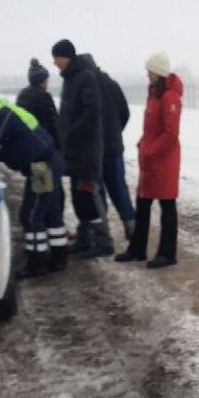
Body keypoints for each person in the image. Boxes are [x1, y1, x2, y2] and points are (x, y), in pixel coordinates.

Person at [0, 83, 68, 277]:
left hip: (42, 167)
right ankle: (59, 258)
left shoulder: (0, 117)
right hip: (47, 164)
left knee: (31, 215)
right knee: (50, 213)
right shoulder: (1, 112)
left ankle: (36, 263)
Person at [117, 51, 182, 269]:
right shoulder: (154, 93)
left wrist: (150, 150)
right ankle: (137, 249)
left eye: (150, 71)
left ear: (159, 72)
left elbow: (170, 134)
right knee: (143, 204)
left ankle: (167, 253)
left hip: (163, 161)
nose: (147, 74)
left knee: (167, 206)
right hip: (151, 159)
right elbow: (152, 128)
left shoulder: (170, 97)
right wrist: (142, 142)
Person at [52, 39, 114, 259]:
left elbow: (91, 113)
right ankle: (84, 239)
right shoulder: (70, 79)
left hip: (86, 151)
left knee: (89, 196)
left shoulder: (85, 78)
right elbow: (68, 113)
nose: (54, 63)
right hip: (74, 151)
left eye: (56, 58)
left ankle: (104, 240)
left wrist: (71, 134)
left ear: (65, 57)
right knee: (78, 197)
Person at [95, 63, 136, 239]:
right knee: (119, 188)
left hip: (96, 150)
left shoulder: (86, 87)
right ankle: (132, 228)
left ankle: (103, 234)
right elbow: (125, 112)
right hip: (114, 147)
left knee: (98, 192)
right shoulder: (112, 84)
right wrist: (116, 132)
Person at [16, 58, 59, 145]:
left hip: (25, 141)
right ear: (42, 81)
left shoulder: (22, 94)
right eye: (47, 80)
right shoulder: (44, 96)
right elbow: (52, 124)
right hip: (42, 142)